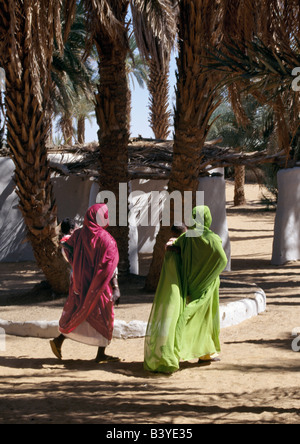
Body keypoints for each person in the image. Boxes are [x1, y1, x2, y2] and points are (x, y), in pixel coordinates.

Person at [144, 205, 228, 373]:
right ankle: (202, 354)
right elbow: (222, 260)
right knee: (205, 319)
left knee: (199, 318)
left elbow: (173, 250)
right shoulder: (212, 238)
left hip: (190, 284)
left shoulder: (186, 237)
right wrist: (210, 274)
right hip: (206, 287)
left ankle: (204, 354)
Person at [50, 204, 121, 363]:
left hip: (81, 284)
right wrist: (116, 287)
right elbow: (110, 266)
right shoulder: (106, 239)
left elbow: (67, 247)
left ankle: (58, 341)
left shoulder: (78, 235)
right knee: (105, 315)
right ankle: (101, 354)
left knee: (81, 312)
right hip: (99, 285)